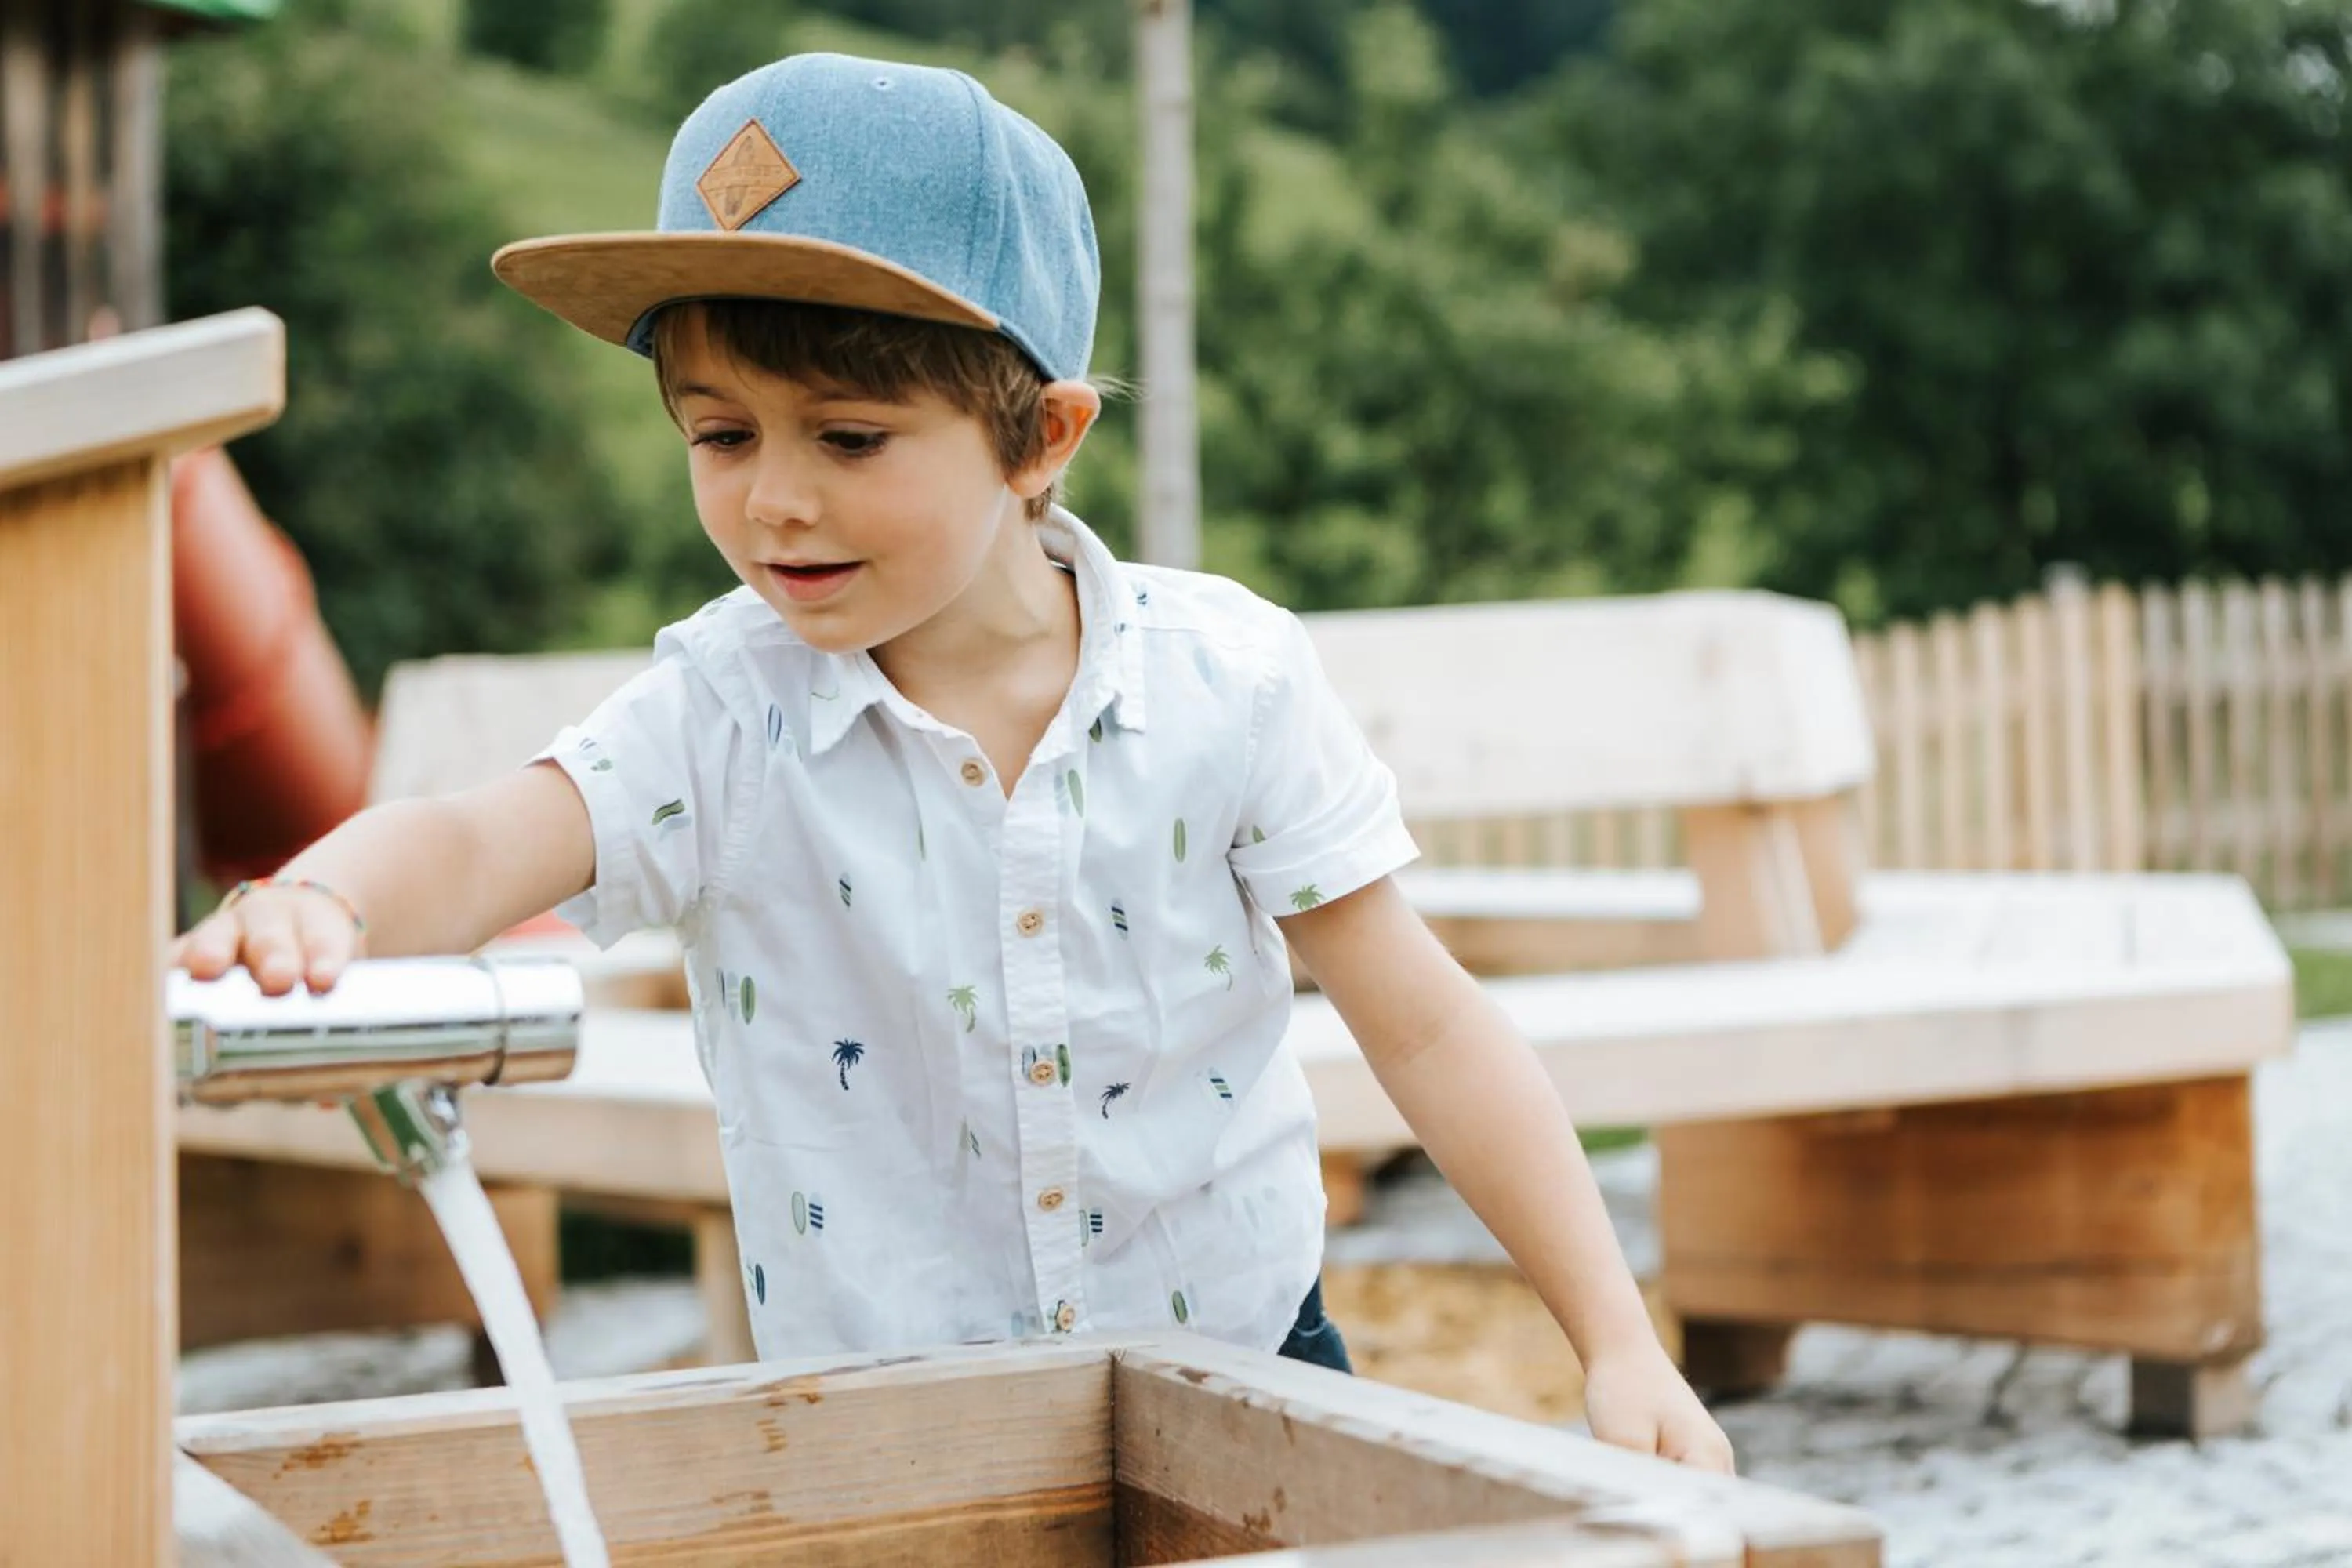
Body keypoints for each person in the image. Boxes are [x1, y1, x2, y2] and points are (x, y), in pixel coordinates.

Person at [171, 51, 1733, 1472]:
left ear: (1042, 435)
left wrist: (1613, 1337)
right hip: (889, 1430)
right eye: (721, 436)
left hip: (1245, 1378)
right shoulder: (722, 715)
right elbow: (470, 839)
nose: (775, 501)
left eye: (848, 440)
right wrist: (323, 903)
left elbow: (1433, 1029)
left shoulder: (1227, 683)